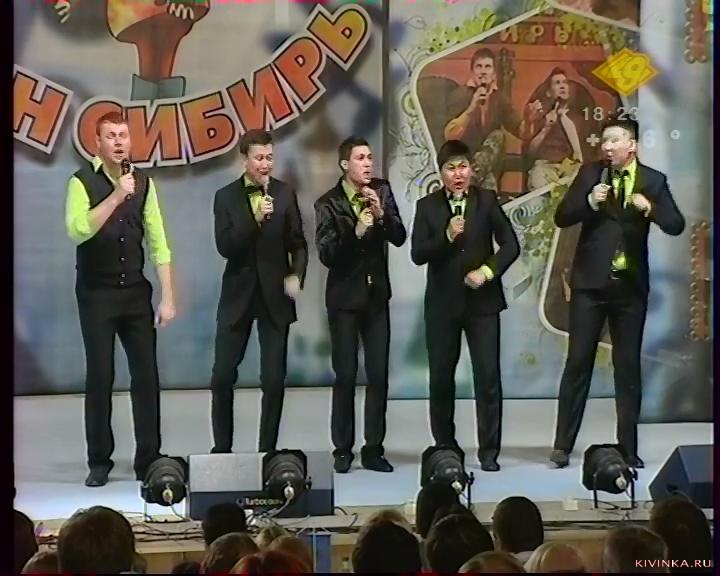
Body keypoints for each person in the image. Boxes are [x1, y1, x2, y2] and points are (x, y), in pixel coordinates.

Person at [550, 118, 685, 469]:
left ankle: (628, 448)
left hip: (629, 289)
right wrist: (589, 202)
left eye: (614, 140)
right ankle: (562, 445)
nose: (607, 147)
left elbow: (676, 224)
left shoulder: (653, 181)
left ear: (632, 145)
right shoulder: (590, 174)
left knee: (627, 368)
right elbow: (562, 216)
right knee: (578, 362)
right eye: (604, 141)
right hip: (589, 286)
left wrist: (649, 208)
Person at [65, 111, 176, 487]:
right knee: (100, 376)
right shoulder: (81, 181)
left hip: (135, 293)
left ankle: (149, 457)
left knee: (146, 376)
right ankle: (99, 460)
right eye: (110, 136)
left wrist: (168, 297)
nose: (118, 142)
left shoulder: (143, 183)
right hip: (96, 294)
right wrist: (115, 196)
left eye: (123, 135)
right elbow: (77, 230)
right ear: (97, 143)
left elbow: (159, 242)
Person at [410, 139, 519, 471]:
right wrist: (445, 237)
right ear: (441, 173)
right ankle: (445, 447)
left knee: (487, 377)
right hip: (443, 306)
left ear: (472, 169)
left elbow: (510, 245)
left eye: (463, 167)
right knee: (441, 378)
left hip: (483, 304)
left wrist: (487, 272)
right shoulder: (427, 206)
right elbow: (418, 254)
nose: (458, 174)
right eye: (450, 168)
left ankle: (489, 451)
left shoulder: (487, 201)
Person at [209, 129, 308, 454]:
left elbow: (298, 243)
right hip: (237, 296)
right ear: (244, 159)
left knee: (274, 380)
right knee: (222, 376)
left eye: (269, 157)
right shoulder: (225, 197)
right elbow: (226, 247)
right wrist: (253, 218)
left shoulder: (284, 193)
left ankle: (267, 452)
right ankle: (222, 450)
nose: (265, 164)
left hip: (274, 297)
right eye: (259, 158)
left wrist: (296, 275)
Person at [314, 137, 406, 473]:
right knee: (346, 375)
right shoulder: (328, 203)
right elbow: (327, 255)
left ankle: (374, 448)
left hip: (376, 298)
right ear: (345, 164)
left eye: (369, 157)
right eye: (360, 158)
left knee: (378, 375)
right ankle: (342, 449)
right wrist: (356, 231)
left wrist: (381, 216)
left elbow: (399, 236)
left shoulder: (381, 190)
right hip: (344, 300)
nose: (368, 163)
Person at [444, 47, 538, 191]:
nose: (483, 72)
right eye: (479, 67)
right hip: (463, 161)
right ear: (472, 72)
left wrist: (529, 119)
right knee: (489, 188)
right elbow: (449, 136)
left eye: (487, 67)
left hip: (486, 165)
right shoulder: (459, 95)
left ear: (494, 74)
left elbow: (522, 133)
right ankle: (471, 179)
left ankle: (472, 178)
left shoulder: (499, 99)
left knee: (498, 136)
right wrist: (471, 108)